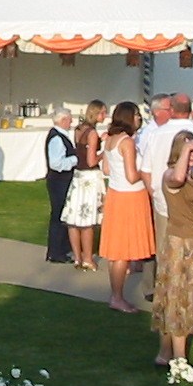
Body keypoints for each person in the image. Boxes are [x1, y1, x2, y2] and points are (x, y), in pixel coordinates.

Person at [137, 93, 193, 299]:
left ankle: (163, 292)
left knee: (164, 250)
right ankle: (179, 294)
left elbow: (145, 169)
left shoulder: (156, 134)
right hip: (189, 202)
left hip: (163, 201)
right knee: (188, 252)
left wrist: (154, 192)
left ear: (172, 110)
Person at [153, 132, 193, 371]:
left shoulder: (192, 175)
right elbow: (175, 178)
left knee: (177, 299)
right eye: (189, 151)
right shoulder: (172, 175)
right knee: (178, 300)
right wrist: (187, 149)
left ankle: (165, 354)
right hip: (179, 245)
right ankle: (179, 360)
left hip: (192, 242)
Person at [99, 100, 152, 311]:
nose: (139, 118)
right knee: (122, 251)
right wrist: (148, 172)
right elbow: (132, 176)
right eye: (137, 115)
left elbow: (106, 169)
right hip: (130, 197)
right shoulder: (127, 142)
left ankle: (115, 294)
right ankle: (118, 297)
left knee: (116, 251)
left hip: (115, 195)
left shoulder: (111, 139)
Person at [61, 100, 108, 270]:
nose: (105, 115)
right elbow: (91, 160)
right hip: (90, 177)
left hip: (77, 177)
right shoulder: (92, 132)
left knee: (74, 219)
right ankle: (88, 258)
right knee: (87, 221)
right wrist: (104, 152)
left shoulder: (79, 129)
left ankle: (77, 257)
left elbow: (82, 150)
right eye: (103, 112)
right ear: (96, 113)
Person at [43, 107, 76, 263]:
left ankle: (59, 249)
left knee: (61, 214)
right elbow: (56, 163)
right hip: (59, 180)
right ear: (63, 120)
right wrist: (75, 160)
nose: (72, 122)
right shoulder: (57, 139)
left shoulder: (59, 136)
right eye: (70, 119)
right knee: (59, 214)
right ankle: (56, 251)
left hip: (60, 180)